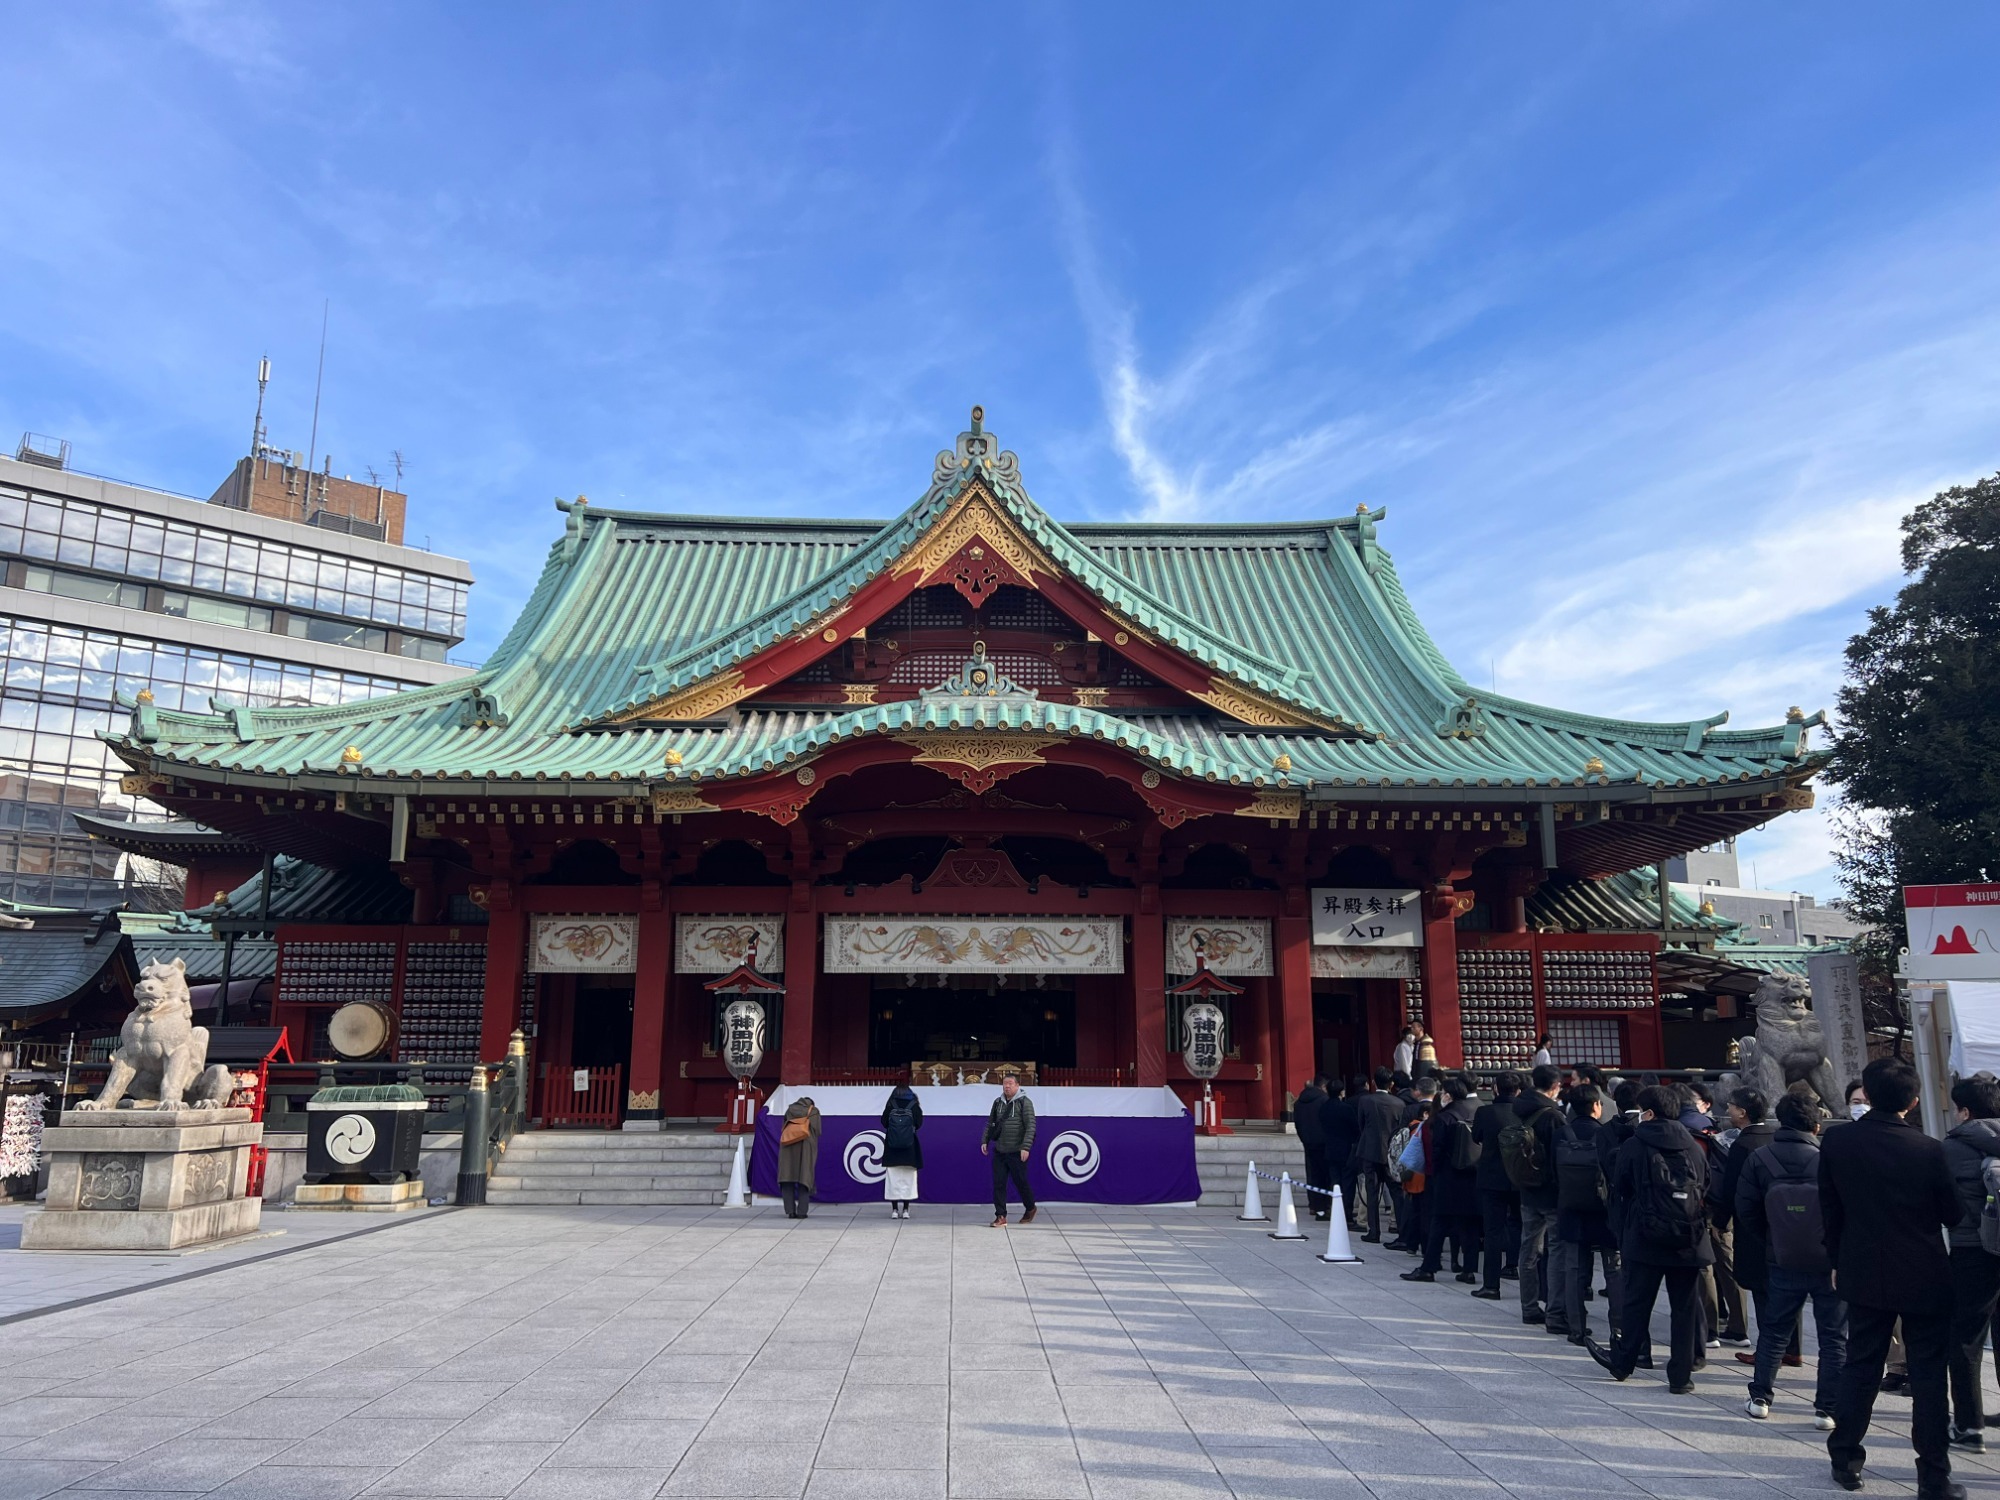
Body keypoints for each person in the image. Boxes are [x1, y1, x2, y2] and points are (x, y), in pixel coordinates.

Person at [1821, 1056, 1964, 1499]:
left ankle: (1846, 1458)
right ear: (1913, 1100)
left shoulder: (1838, 1142)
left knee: (1861, 1363)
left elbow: (1830, 1207)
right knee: (1927, 1374)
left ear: (1867, 1093)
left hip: (1862, 1264)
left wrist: (1836, 1257)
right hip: (1923, 1269)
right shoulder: (1927, 1148)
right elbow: (1953, 1213)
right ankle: (1933, 1476)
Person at [1587, 1084, 1713, 1393]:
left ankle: (1623, 1360)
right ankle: (1681, 1376)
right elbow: (1707, 1185)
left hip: (1645, 1236)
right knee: (1683, 1307)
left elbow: (1621, 1185)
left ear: (1650, 1113)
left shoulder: (1635, 1145)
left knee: (1637, 1302)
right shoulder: (1694, 1145)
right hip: (1688, 1239)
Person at [1734, 1088, 1845, 1426]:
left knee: (1774, 1329)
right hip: (1828, 1261)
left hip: (1780, 1257)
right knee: (1833, 1335)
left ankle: (1760, 1398)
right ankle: (1827, 1408)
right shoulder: (1829, 1158)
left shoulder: (1760, 1158)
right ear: (1815, 1126)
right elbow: (1844, 1209)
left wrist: (1773, 1238)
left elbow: (1745, 1209)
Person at [1941, 1075, 2000, 1454]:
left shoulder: (1951, 1147)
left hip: (1972, 1250)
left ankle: (1968, 1425)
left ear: (1964, 1111)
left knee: (1965, 1339)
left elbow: (1941, 1204)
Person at [1707, 1087, 1773, 1351]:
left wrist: (1721, 1221)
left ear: (1742, 1113)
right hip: (1779, 1223)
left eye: (1731, 1106)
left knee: (1760, 1288)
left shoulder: (1742, 1144)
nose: (1728, 1111)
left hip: (1750, 1224)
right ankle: (1791, 1349)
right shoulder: (1774, 1137)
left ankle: (1768, 1349)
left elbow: (1731, 1189)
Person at [1555, 1084, 1619, 1346]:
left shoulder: (1561, 1133)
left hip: (1570, 1208)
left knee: (1574, 1269)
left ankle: (1576, 1328)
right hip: (1604, 1210)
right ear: (1596, 1106)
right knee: (1613, 1270)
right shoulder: (1608, 1134)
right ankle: (1618, 1327)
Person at [1505, 1064, 1566, 1328]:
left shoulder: (1517, 1110)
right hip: (1550, 1190)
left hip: (1525, 1188)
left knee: (1528, 1249)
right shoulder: (1552, 1116)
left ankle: (1528, 1307)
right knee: (1556, 1251)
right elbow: (1561, 1154)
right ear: (1554, 1087)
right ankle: (1555, 1311)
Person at [1404, 1075, 1481, 1283]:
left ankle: (1428, 1267)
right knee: (1469, 1225)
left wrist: (1433, 1173)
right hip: (1473, 1176)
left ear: (1448, 1094)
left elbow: (1437, 1151)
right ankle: (1469, 1269)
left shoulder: (1444, 1118)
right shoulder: (1476, 1111)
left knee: (1438, 1222)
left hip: (1448, 1177)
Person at [1471, 1071, 1523, 1300]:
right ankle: (1513, 1265)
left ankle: (1491, 1284)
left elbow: (1477, 1137)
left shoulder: (1485, 1112)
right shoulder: (1525, 1112)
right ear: (1518, 1091)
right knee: (1520, 1224)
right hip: (1521, 1176)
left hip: (1492, 1176)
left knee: (1493, 1231)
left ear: (1495, 1089)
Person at [1354, 1067, 1405, 1244]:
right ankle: (1402, 1231)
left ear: (1374, 1082)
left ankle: (1373, 1231)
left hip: (1370, 1150)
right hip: (1391, 1152)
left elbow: (1361, 1124)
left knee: (1372, 1191)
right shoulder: (1399, 1104)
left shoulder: (1366, 1101)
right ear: (1391, 1084)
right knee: (1397, 1193)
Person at [982, 1074, 1038, 1228]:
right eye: (1005, 1084)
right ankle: (1000, 1216)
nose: (1007, 1086)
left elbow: (1031, 1126)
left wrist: (1025, 1147)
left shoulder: (1024, 1103)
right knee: (998, 1183)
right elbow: (991, 1123)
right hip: (1000, 1150)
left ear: (1017, 1085)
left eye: (1010, 1084)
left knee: (1021, 1182)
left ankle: (1030, 1207)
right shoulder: (998, 1102)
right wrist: (985, 1140)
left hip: (1016, 1150)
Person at [1320, 1077, 1365, 1230]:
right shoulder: (1346, 1109)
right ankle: (1347, 1215)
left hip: (1330, 1148)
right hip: (1346, 1149)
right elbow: (1355, 1129)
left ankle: (1334, 1211)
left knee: (1335, 1182)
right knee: (1348, 1184)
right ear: (1341, 1092)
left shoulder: (1323, 1108)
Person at [880, 1082, 924, 1219]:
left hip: (892, 1148)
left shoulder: (891, 1104)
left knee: (893, 1180)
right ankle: (905, 1210)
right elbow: (919, 1123)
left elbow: (883, 1122)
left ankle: (894, 1210)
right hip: (909, 1148)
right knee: (908, 1180)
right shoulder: (914, 1105)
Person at [777, 1094, 822, 1219]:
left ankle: (790, 1211)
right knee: (804, 1178)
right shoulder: (813, 1111)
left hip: (788, 1146)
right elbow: (817, 1130)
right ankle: (802, 1212)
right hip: (806, 1147)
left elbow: (784, 1126)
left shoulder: (790, 1109)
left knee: (787, 1178)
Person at [1295, 1074, 1331, 1221]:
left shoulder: (1299, 1102)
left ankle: (1313, 1204)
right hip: (1323, 1143)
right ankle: (1324, 1205)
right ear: (1323, 1086)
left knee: (1311, 1173)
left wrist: (1304, 1138)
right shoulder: (1324, 1100)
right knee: (1324, 1175)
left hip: (1307, 1141)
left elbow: (1297, 1124)